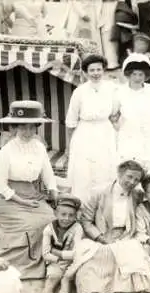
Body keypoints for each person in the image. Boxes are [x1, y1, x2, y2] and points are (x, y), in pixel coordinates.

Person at [66, 160, 150, 293]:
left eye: (136, 179)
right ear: (119, 174)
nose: (132, 182)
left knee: (129, 255)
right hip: (102, 235)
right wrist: (101, 237)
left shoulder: (137, 195)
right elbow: (85, 220)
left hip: (126, 235)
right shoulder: (99, 192)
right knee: (91, 257)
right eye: (129, 177)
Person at [0, 100, 58, 280]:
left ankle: (48, 259)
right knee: (34, 225)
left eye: (31, 128)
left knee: (52, 220)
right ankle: (21, 264)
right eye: (22, 128)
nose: (27, 132)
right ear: (14, 128)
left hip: (31, 193)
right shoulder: (5, 152)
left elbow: (47, 172)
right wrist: (23, 202)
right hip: (9, 199)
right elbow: (0, 187)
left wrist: (54, 192)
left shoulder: (39, 147)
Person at [65, 54, 118, 201]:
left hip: (105, 131)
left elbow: (115, 113)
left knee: (104, 167)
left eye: (99, 69)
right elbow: (71, 119)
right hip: (84, 132)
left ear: (104, 70)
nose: (96, 73)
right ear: (85, 72)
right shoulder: (79, 92)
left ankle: (102, 205)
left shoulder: (112, 89)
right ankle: (81, 205)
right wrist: (70, 144)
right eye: (92, 70)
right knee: (84, 170)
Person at [20, 194, 83, 293]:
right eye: (63, 214)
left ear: (75, 216)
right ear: (56, 214)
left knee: (66, 279)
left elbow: (77, 252)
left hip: (72, 262)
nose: (66, 218)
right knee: (52, 277)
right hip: (55, 262)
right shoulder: (49, 229)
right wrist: (58, 260)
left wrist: (60, 254)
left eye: (71, 215)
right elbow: (46, 254)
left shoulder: (77, 228)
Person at [111, 53, 150, 173]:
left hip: (147, 132)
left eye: (141, 74)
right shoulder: (120, 91)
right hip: (127, 133)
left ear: (146, 75)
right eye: (134, 74)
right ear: (129, 74)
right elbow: (114, 114)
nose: (137, 77)